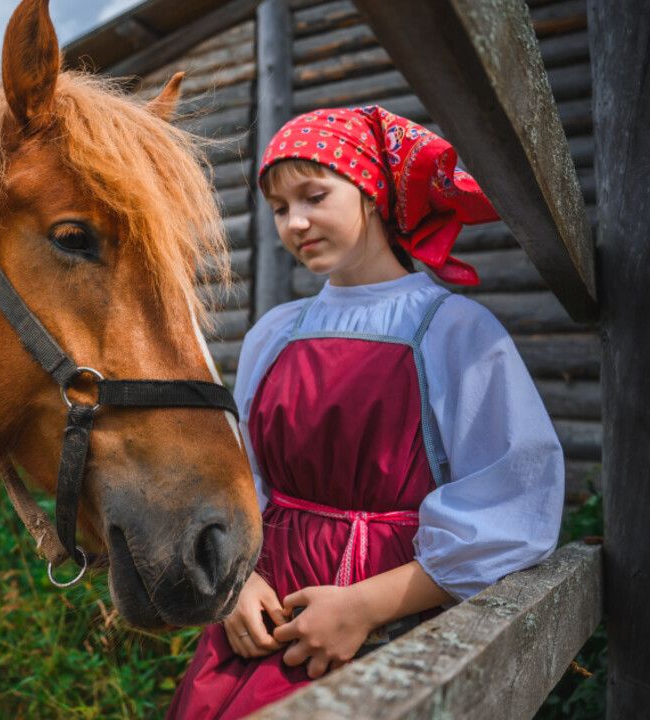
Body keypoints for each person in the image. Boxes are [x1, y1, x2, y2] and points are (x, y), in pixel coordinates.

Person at [166, 106, 565, 719]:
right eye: (278, 208)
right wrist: (237, 582)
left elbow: (513, 506)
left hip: (390, 618)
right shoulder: (273, 334)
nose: (296, 222)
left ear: (372, 192)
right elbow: (242, 481)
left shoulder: (453, 330)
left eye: (315, 196)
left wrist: (368, 606)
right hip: (263, 608)